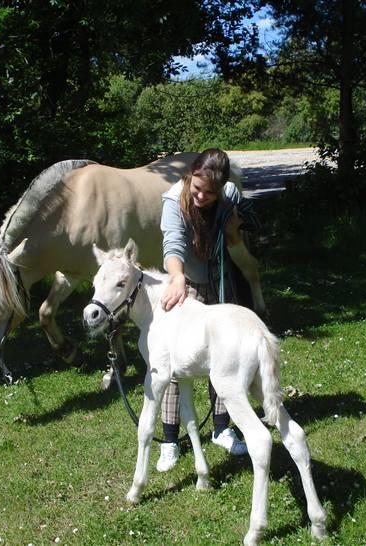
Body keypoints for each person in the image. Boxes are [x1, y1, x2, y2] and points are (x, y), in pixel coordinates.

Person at [156, 148, 261, 472]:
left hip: (221, 284)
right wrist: (176, 278)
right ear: (189, 176)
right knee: (174, 364)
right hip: (186, 285)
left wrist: (234, 227)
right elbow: (172, 244)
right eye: (196, 187)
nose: (200, 196)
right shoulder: (174, 201)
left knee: (224, 359)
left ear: (221, 188)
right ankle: (170, 441)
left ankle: (221, 429)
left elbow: (254, 220)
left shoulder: (229, 194)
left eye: (208, 193)